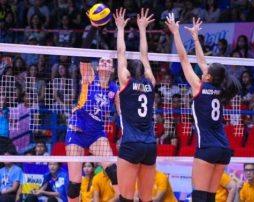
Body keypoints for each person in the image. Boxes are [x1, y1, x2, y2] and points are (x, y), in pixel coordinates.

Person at [165, 16, 241, 202]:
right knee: (210, 197)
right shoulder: (220, 88)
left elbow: (184, 59)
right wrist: (195, 37)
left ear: (207, 77)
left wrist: (176, 33)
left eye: (205, 71)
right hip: (223, 148)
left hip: (207, 148)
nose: (202, 70)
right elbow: (202, 62)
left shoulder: (199, 87)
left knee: (199, 197)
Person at [65, 11, 118, 202]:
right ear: (98, 66)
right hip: (77, 129)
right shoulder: (89, 78)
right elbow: (83, 54)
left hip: (96, 133)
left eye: (108, 61)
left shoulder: (115, 89)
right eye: (102, 60)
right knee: (74, 184)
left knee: (114, 172)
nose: (104, 61)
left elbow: (121, 113)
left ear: (111, 69)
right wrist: (94, 28)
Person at [115, 8, 157, 202]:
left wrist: (121, 28)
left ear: (128, 73)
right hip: (150, 145)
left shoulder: (126, 82)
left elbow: (120, 52)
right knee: (146, 198)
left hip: (131, 144)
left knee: (126, 197)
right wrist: (142, 29)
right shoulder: (150, 82)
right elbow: (145, 56)